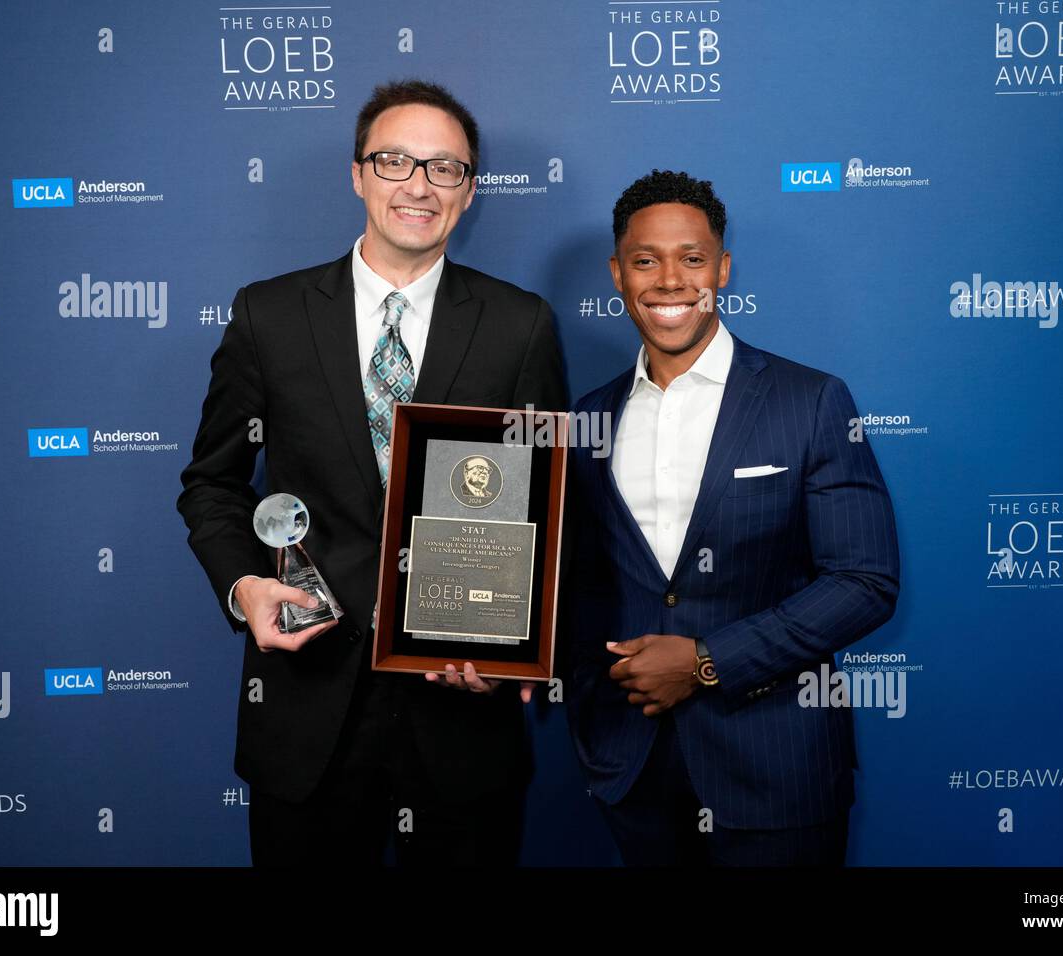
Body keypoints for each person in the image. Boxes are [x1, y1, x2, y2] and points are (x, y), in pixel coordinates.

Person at [177, 79, 567, 866]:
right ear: (358, 174)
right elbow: (213, 485)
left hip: (462, 712)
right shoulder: (269, 315)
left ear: (470, 191)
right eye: (395, 162)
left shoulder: (520, 324)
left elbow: (548, 509)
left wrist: (516, 647)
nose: (418, 185)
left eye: (444, 168)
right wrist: (245, 586)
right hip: (307, 704)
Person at [562, 170, 900, 866]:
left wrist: (708, 662)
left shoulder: (809, 401)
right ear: (617, 274)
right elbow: (574, 585)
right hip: (633, 768)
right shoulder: (587, 417)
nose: (669, 280)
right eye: (645, 259)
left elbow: (864, 580)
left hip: (776, 769)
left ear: (721, 267)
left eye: (692, 258)